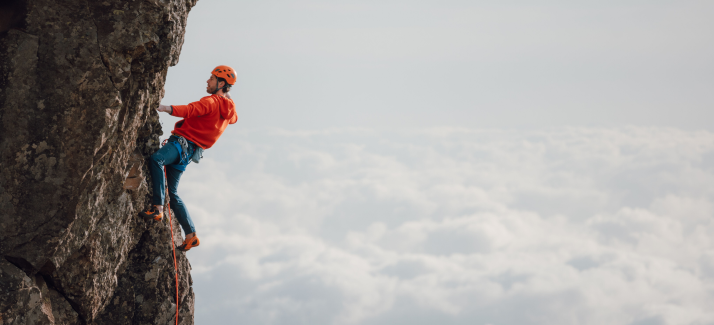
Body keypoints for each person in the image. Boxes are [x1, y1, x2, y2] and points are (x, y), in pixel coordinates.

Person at [139, 65, 238, 251]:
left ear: (221, 83)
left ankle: (157, 209)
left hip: (179, 145)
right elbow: (234, 118)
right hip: (188, 154)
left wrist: (164, 108)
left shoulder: (211, 101)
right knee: (173, 193)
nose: (208, 81)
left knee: (157, 160)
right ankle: (191, 235)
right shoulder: (228, 110)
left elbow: (191, 109)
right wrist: (228, 95)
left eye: (212, 78)